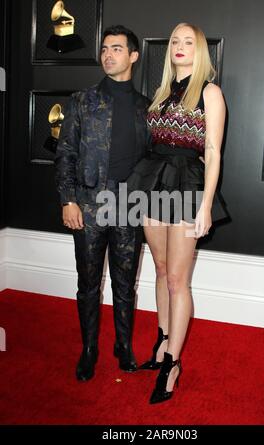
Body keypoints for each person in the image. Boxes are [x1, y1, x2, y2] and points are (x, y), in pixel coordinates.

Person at [127, 22, 228, 403]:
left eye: (188, 42)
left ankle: (172, 363)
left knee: (177, 281)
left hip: (187, 184)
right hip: (152, 182)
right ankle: (162, 339)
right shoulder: (161, 92)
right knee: (161, 270)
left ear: (199, 50)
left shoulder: (210, 92)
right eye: (175, 41)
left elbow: (214, 152)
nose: (180, 47)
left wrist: (206, 206)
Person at [55, 25, 150, 381]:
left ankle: (123, 346)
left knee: (126, 284)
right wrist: (68, 200)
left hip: (129, 204)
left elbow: (153, 159)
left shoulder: (146, 107)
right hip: (90, 203)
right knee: (89, 283)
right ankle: (90, 348)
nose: (108, 55)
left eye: (117, 49)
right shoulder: (82, 100)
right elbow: (64, 153)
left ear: (133, 56)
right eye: (105, 49)